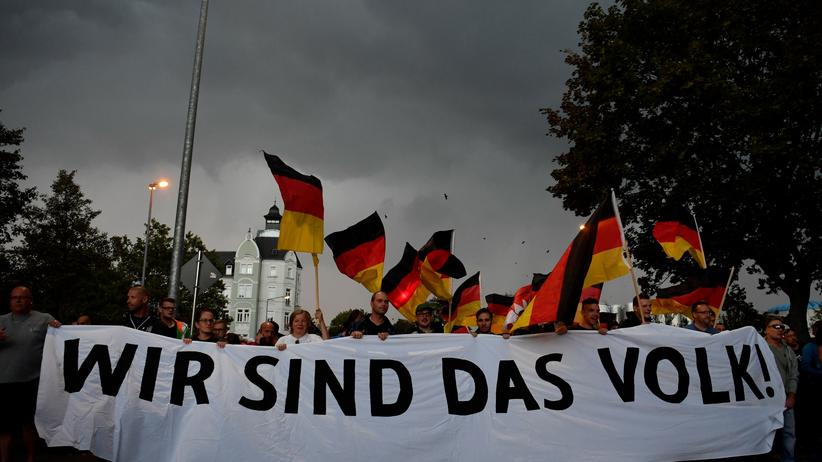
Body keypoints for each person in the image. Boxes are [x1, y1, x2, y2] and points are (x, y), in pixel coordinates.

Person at [0, 284, 61, 462]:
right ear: (10, 301)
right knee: (4, 427)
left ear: (30, 301)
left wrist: (61, 329)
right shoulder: (1, 321)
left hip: (32, 381)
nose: (18, 300)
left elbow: (62, 338)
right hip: (4, 382)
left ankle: (31, 458)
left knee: (29, 424)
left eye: (22, 297)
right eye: (14, 297)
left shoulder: (44, 319)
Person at [763, 316, 798, 462]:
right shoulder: (758, 348)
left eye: (781, 326)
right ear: (766, 330)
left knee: (788, 433)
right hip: (765, 400)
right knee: (766, 434)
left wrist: (791, 396)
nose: (780, 329)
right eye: (775, 326)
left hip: (785, 399)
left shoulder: (788, 350)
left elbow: (793, 375)